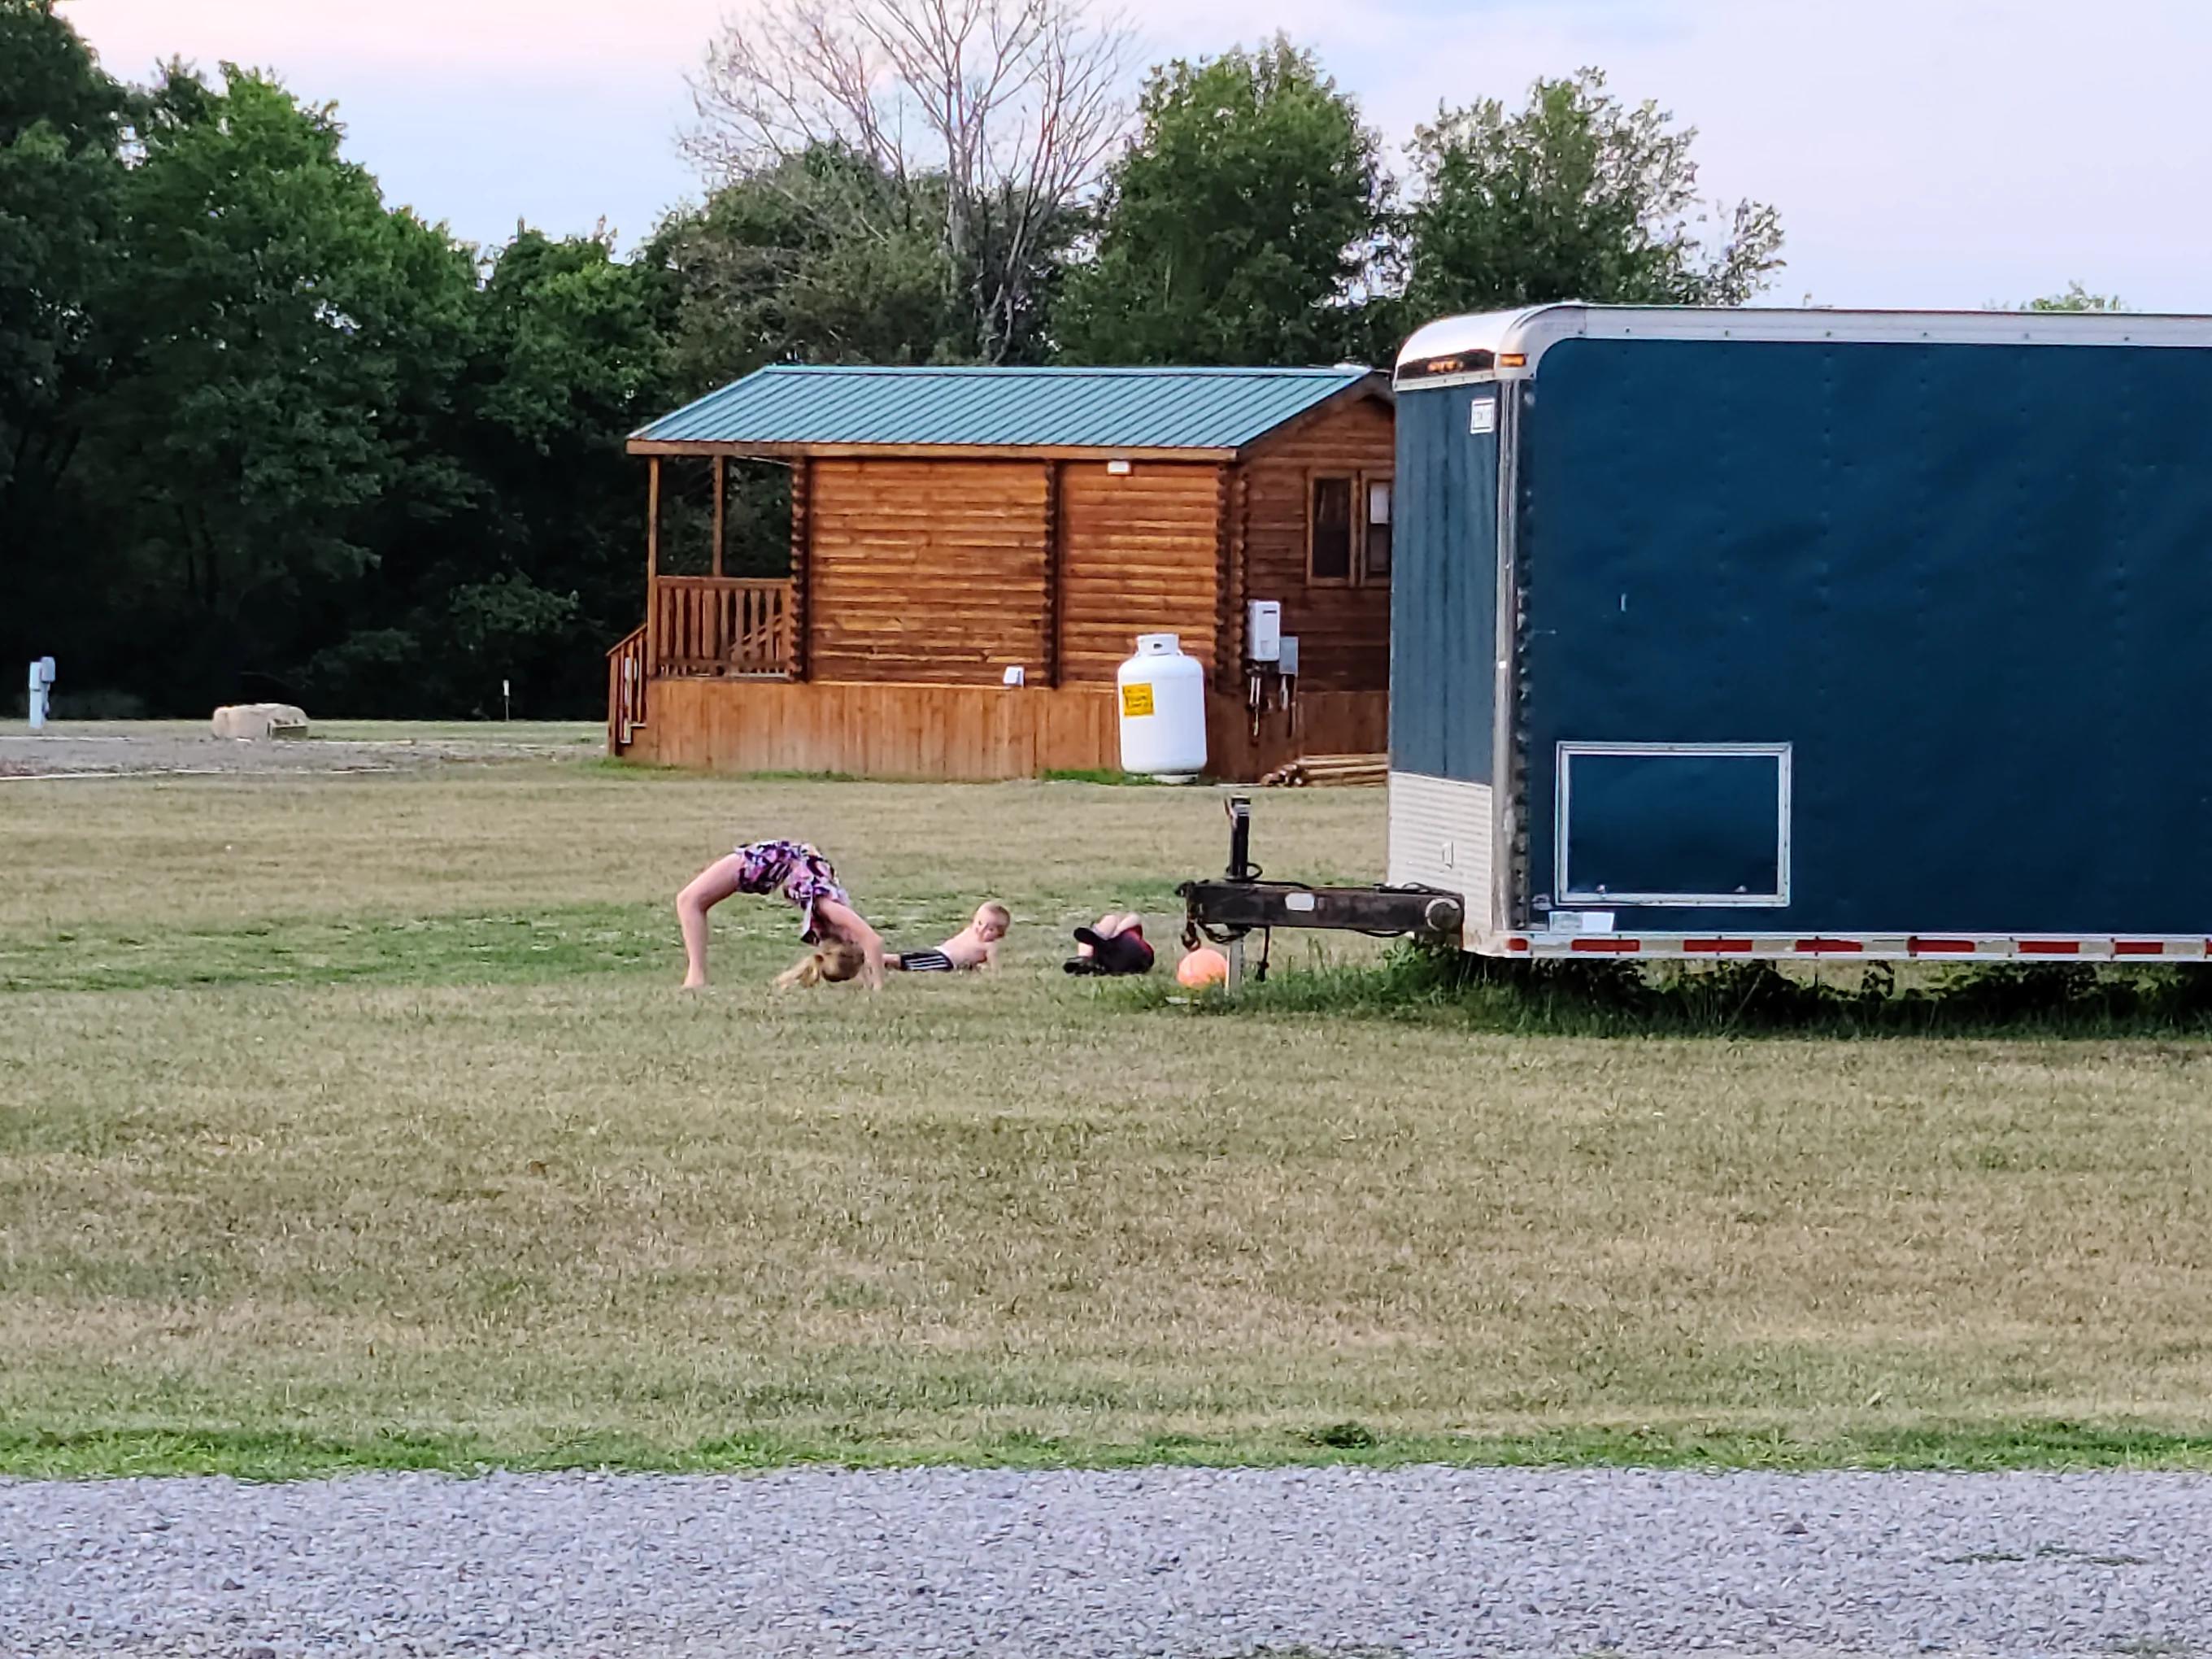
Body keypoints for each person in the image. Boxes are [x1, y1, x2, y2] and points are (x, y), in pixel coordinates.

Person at [677, 838, 885, 990]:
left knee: (689, 902)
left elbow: (869, 946)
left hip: (764, 864)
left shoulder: (829, 924)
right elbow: (873, 941)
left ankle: (696, 978)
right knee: (690, 902)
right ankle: (696, 976)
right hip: (771, 862)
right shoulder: (830, 910)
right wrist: (877, 986)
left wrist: (872, 977)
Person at [889, 902, 1010, 973]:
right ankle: (876, 960)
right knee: (909, 957)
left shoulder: (988, 946)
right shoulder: (969, 931)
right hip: (939, 952)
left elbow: (994, 967)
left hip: (946, 961)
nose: (982, 930)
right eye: (979, 923)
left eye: (990, 929)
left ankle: (877, 960)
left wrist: (983, 968)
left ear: (1000, 934)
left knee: (902, 962)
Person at [1064, 911, 1155, 976]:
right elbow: (1135, 918)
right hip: (1134, 961)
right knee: (1089, 942)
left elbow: (1134, 918)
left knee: (1110, 919)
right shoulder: (1128, 933)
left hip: (1133, 956)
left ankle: (1085, 959)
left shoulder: (1122, 926)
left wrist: (1117, 930)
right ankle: (1085, 960)